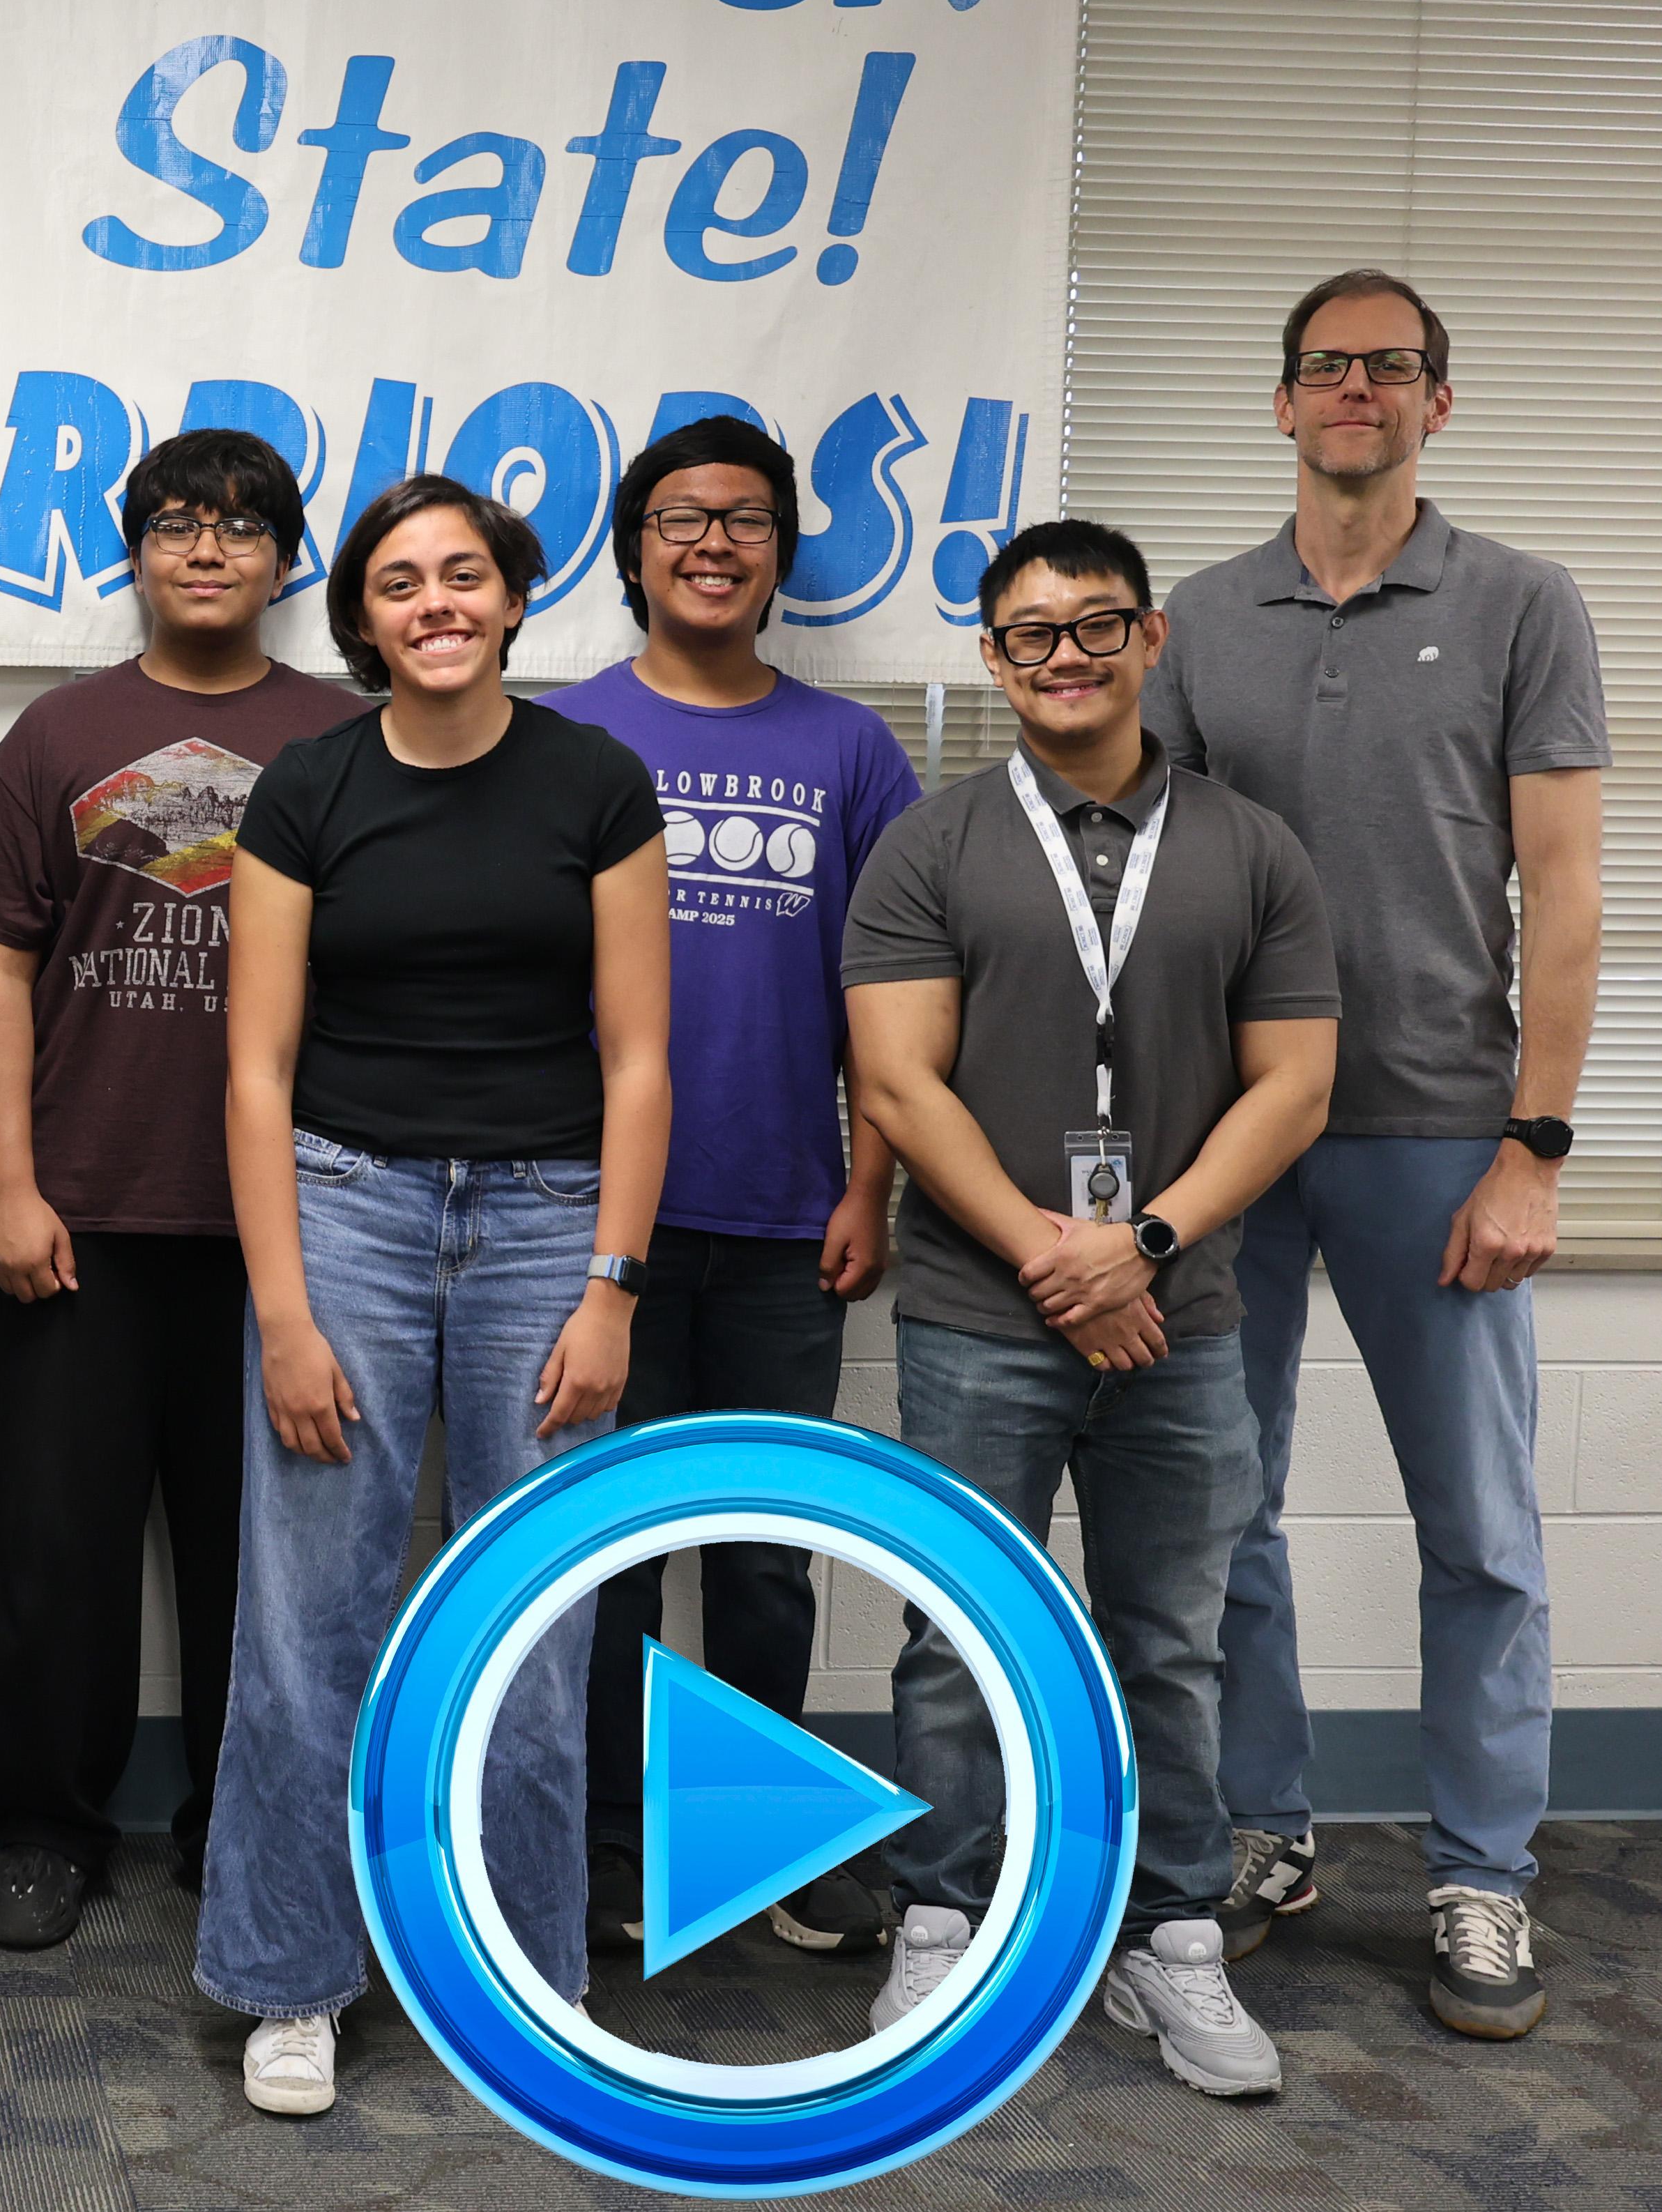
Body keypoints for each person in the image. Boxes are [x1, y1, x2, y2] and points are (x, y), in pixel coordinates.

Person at [1151, 271, 1607, 2041]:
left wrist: (1537, 1148)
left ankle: (1484, 1876)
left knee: (1482, 1528)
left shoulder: (1518, 602)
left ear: (1440, 400)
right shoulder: (1198, 615)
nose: (1357, 388)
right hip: (1237, 1136)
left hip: (1438, 1126)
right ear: (1281, 406)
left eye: (1390, 366)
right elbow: (1159, 889)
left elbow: (1561, 887)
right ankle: (1268, 1830)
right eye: (1327, 368)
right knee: (1224, 1506)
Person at [843, 519, 1339, 2102]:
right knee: (954, 1632)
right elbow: (899, 1077)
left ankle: (1169, 1929)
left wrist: (1151, 1237)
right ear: (994, 659)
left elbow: (1298, 1081)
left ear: (1150, 640)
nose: (1068, 653)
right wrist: (1056, 1254)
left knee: (1169, 1639)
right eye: (1033, 633)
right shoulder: (932, 842)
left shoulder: (1255, 846)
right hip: (980, 1314)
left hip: (1183, 1312)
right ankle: (939, 1909)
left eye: (1098, 623)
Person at [201, 474, 671, 2119]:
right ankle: (289, 1978)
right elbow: (255, 1068)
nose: (436, 602)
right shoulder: (307, 789)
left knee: (532, 1626)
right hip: (349, 1212)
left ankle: (524, 1986)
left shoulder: (598, 783)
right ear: (365, 619)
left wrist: (614, 1282)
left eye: (464, 574)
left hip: (551, 1225)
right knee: (307, 1623)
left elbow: (638, 1056)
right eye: (400, 582)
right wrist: (284, 1310)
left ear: (515, 597)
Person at [0, 430, 363, 1951]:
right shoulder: (59, 733)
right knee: (58, 1543)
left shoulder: (343, 736)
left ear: (286, 560)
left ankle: (245, 1818)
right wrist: (9, 1182)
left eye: (243, 526)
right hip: (86, 1216)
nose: (207, 548)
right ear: (135, 550)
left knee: (273, 1556)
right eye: (175, 523)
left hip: (296, 1235)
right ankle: (47, 1824)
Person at [546, 416, 922, 1960]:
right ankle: (618, 1840)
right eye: (684, 516)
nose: (715, 542)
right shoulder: (560, 735)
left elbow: (902, 998)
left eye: (748, 519)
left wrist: (873, 1182)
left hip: (786, 1212)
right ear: (633, 545)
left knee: (766, 1548)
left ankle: (762, 1839)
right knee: (610, 1551)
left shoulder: (852, 751)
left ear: (780, 552)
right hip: (591, 1224)